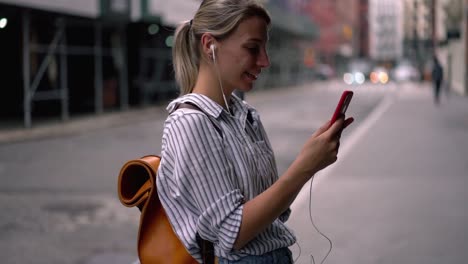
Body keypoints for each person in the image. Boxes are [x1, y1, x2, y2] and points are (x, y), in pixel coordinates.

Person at [156, 0, 354, 263]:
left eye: (265, 48)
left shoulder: (245, 116)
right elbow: (232, 234)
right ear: (209, 45)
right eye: (252, 48)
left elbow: (277, 213)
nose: (265, 61)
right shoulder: (190, 123)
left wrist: (310, 158)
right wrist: (304, 167)